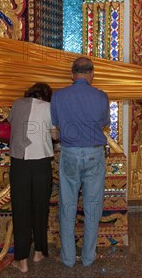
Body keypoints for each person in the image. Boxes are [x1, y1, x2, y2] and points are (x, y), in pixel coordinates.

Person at [50, 57, 110, 267]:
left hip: (69, 153)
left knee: (67, 206)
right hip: (94, 154)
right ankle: (88, 258)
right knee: (93, 207)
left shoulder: (58, 96)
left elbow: (55, 126)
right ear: (92, 74)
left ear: (71, 74)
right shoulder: (101, 97)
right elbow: (103, 123)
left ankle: (67, 259)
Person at [8, 82, 57, 273]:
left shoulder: (17, 103)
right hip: (41, 163)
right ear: (46, 96)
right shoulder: (49, 107)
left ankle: (21, 260)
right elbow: (54, 136)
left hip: (19, 163)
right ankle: (38, 251)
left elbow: (12, 125)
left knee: (21, 210)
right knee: (40, 208)